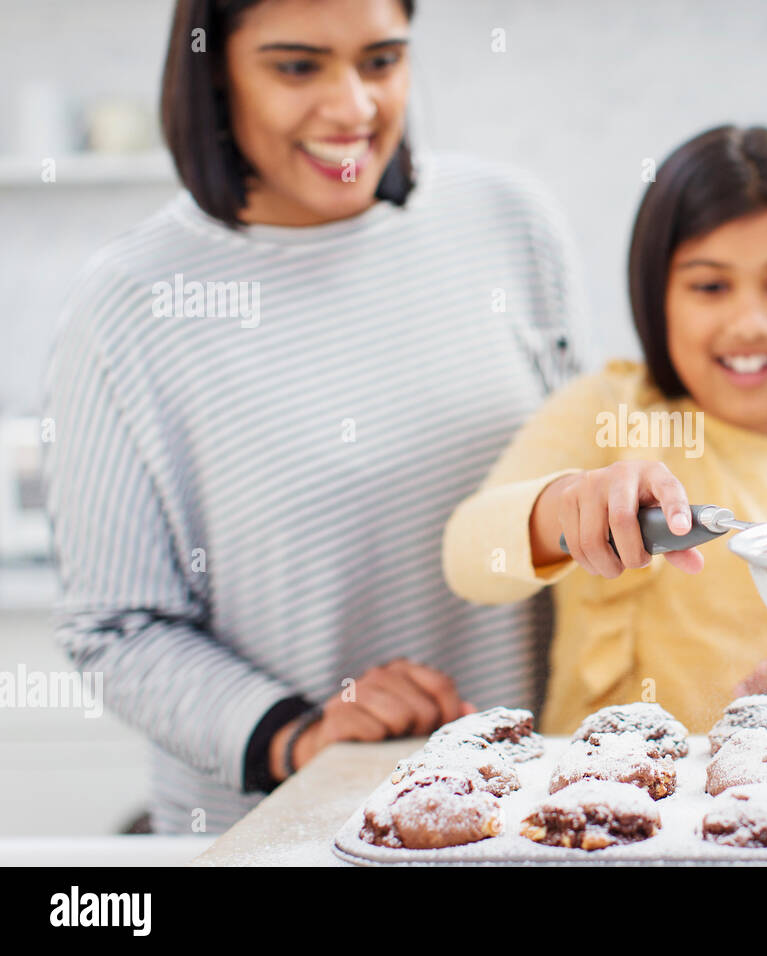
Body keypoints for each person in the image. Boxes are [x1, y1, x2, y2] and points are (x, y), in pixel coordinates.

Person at [41, 0, 588, 834]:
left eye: (380, 60)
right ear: (213, 71)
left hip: (525, 826)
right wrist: (300, 732)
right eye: (297, 67)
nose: (353, 109)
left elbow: (569, 484)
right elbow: (117, 627)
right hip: (293, 834)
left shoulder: (510, 222)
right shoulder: (132, 305)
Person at [443, 124, 767, 736]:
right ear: (655, 295)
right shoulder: (608, 415)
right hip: (603, 819)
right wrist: (567, 505)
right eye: (710, 286)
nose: (749, 323)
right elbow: (467, 559)